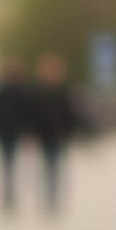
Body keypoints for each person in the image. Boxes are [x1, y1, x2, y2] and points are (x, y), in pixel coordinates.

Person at [28, 51, 78, 215]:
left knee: (55, 166)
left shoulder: (62, 91)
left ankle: (53, 197)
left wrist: (69, 131)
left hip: (57, 135)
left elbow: (69, 114)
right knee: (45, 167)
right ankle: (47, 197)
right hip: (43, 135)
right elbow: (33, 115)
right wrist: (32, 132)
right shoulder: (38, 92)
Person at [0, 57, 30, 214]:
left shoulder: (22, 92)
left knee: (15, 166)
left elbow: (27, 114)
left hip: (16, 134)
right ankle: (7, 195)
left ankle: (12, 195)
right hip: (4, 133)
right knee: (6, 166)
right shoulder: (2, 92)